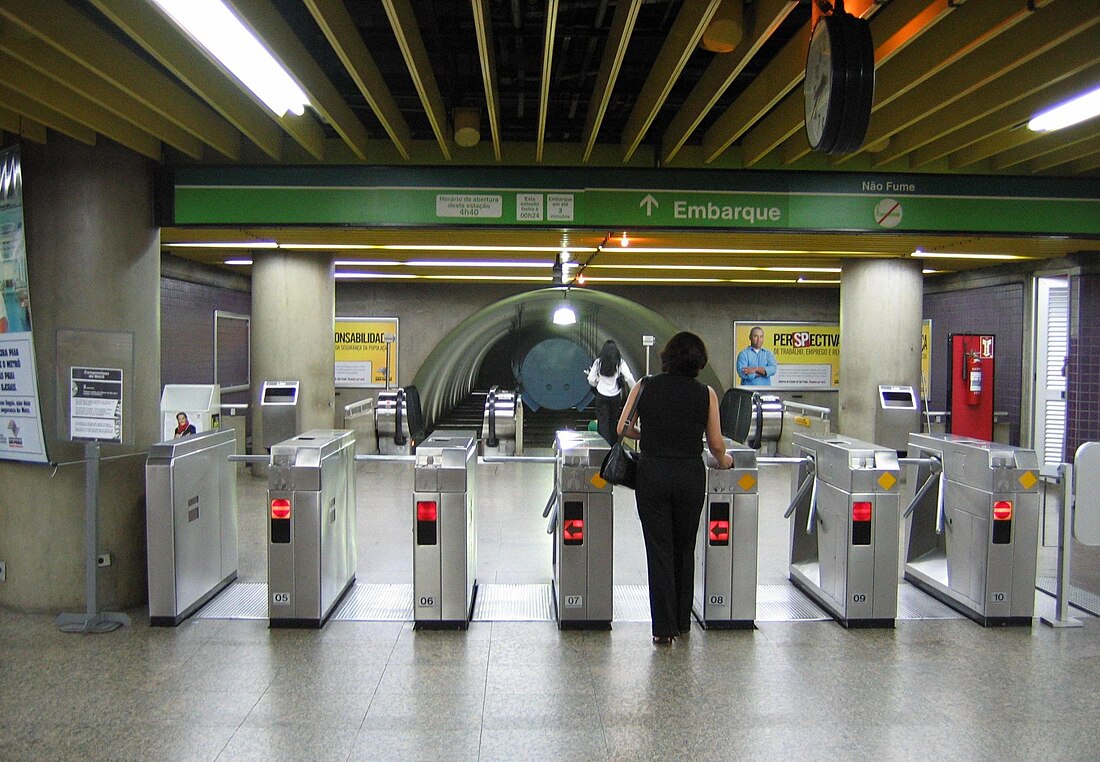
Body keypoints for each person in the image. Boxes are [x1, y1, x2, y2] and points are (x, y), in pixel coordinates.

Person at [617, 332, 732, 645]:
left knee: (659, 550)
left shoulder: (645, 386)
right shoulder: (705, 393)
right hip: (689, 475)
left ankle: (663, 628)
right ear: (698, 362)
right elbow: (716, 444)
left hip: (652, 473)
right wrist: (726, 460)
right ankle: (682, 622)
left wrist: (651, 434)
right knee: (684, 548)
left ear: (666, 357)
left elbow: (623, 428)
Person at [586, 339, 636, 446]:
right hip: (615, 397)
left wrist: (597, 383)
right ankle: (614, 448)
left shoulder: (598, 362)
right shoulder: (619, 362)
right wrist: (636, 391)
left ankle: (604, 448)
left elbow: (591, 379)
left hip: (601, 397)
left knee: (603, 423)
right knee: (613, 423)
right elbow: (629, 378)